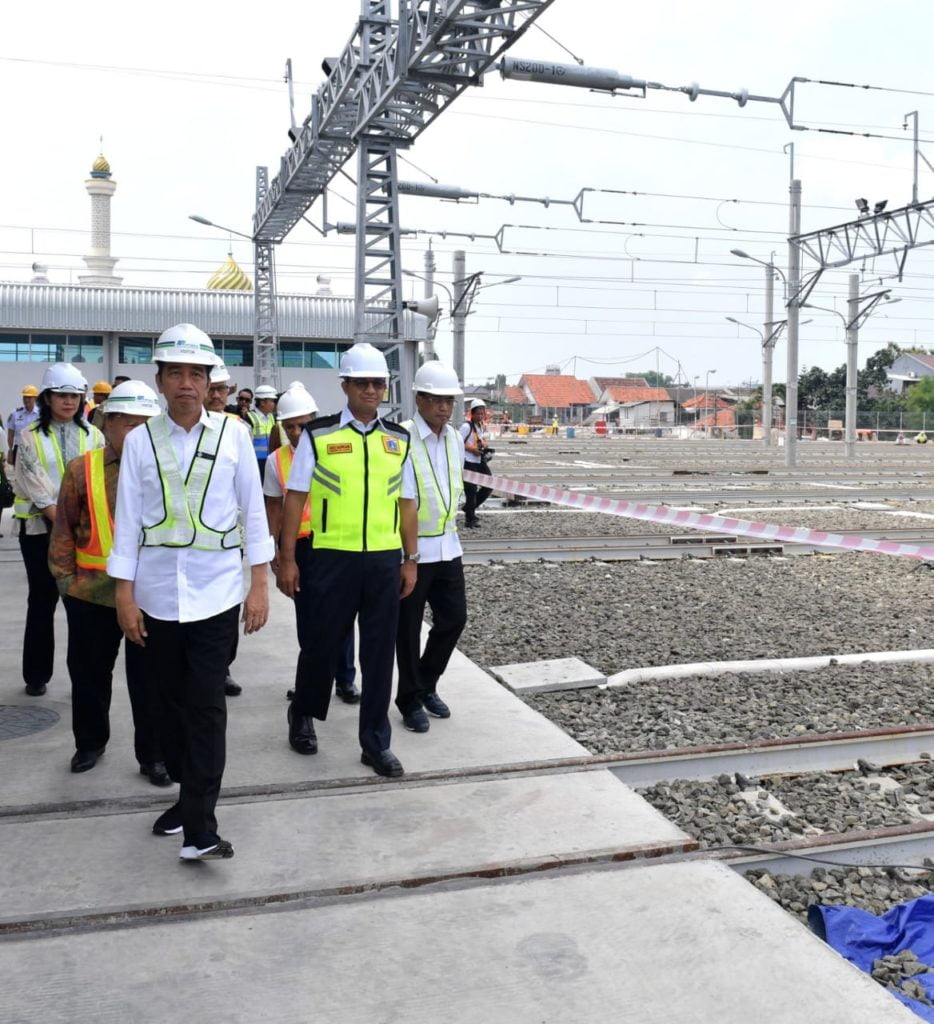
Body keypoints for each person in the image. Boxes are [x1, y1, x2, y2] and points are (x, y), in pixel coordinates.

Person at [108, 323, 273, 861]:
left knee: (205, 708)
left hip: (216, 596)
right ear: (159, 380)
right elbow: (127, 523)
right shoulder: (140, 442)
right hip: (156, 598)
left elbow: (253, 512)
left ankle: (201, 828)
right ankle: (187, 799)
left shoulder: (233, 436)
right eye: (175, 373)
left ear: (208, 381)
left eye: (195, 374)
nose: (185, 383)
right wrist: (125, 595)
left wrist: (259, 585)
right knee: (167, 709)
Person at [277, 342, 418, 778]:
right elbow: (294, 497)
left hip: (382, 561)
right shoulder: (319, 436)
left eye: (378, 383)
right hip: (330, 559)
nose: (371, 390)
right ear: (346, 386)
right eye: (362, 383)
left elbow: (407, 503)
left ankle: (375, 743)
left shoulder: (398, 440)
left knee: (379, 655)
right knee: (321, 645)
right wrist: (287, 558)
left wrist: (410, 559)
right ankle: (303, 712)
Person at [49, 380, 169, 782]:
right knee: (88, 676)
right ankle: (89, 743)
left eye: (146, 425)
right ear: (108, 423)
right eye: (129, 424)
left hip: (147, 597)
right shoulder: (81, 470)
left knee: (151, 681)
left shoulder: (168, 471)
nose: (138, 433)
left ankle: (153, 755)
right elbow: (63, 532)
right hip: (91, 595)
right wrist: (67, 585)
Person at [264, 383, 360, 706]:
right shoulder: (276, 461)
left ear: (315, 420)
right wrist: (277, 551)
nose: (295, 433)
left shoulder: (335, 449)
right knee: (308, 620)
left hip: (334, 545)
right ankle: (309, 681)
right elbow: (274, 508)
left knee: (343, 616)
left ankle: (345, 678)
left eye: (302, 425)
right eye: (289, 426)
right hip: (300, 550)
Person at [13, 363, 105, 696]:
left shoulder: (94, 435)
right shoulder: (29, 435)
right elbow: (35, 485)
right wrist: (67, 523)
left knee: (82, 607)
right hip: (40, 531)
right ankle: (36, 674)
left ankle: (85, 676)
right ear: (47, 398)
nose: (68, 402)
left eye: (74, 396)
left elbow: (99, 481)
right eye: (61, 395)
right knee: (42, 600)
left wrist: (82, 527)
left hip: (84, 533)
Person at [395, 362, 468, 733]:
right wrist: (408, 558)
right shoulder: (402, 438)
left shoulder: (454, 438)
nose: (444, 407)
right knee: (407, 630)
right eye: (436, 400)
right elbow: (404, 501)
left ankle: (426, 683)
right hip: (414, 551)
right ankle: (409, 699)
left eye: (449, 400)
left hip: (448, 546)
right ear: (419, 399)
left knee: (454, 619)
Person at [205, 362, 252, 698]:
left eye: (222, 389)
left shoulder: (237, 430)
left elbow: (248, 492)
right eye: (212, 389)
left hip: (228, 537)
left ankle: (222, 667)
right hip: (187, 540)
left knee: (227, 606)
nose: (217, 395)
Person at [460, 398, 492, 528]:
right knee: (471, 490)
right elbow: (457, 443)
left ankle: (469, 507)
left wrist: (484, 446)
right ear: (472, 414)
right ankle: (470, 519)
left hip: (479, 460)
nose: (480, 416)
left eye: (482, 413)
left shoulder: (481, 426)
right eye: (478, 413)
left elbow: (480, 439)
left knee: (489, 484)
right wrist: (472, 450)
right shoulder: (466, 427)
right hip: (468, 461)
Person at [6, 384, 40, 466]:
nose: (26, 400)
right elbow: (10, 435)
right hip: (19, 449)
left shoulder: (41, 414)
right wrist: (10, 451)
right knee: (18, 472)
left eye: (29, 397)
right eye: (24, 397)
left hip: (37, 449)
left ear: (35, 398)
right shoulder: (15, 413)